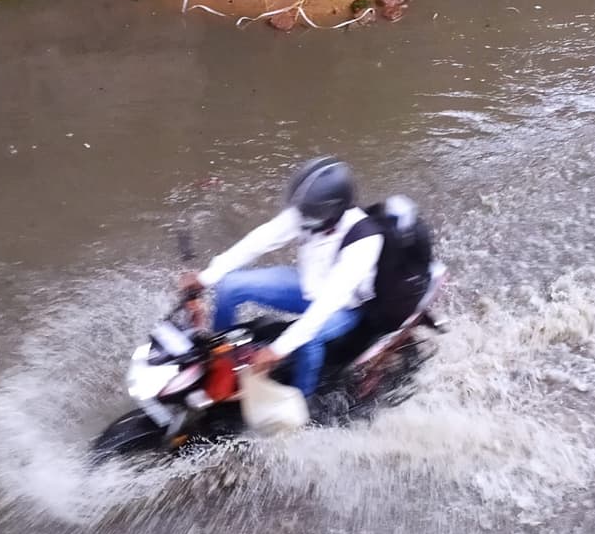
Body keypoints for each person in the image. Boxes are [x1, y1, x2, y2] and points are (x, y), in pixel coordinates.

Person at [181, 156, 427, 397]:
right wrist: (207, 277)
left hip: (343, 307)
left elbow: (326, 305)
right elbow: (259, 240)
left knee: (308, 341)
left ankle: (303, 399)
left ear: (334, 210)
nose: (299, 218)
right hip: (307, 285)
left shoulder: (364, 240)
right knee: (230, 286)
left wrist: (278, 350)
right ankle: (219, 356)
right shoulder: (310, 213)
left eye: (307, 214)